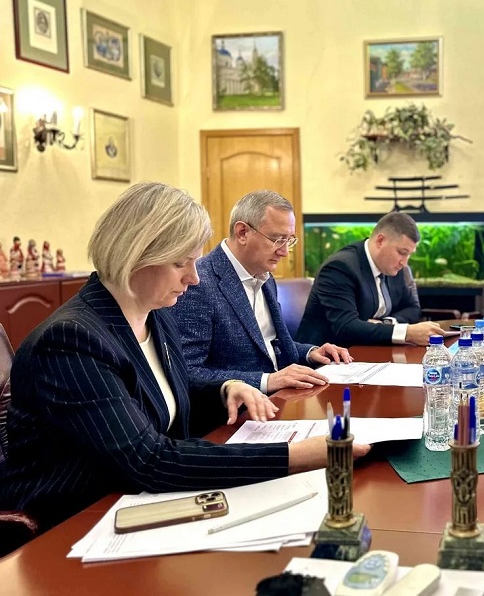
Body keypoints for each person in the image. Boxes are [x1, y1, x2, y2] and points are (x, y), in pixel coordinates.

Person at [0, 183, 369, 531]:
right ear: (135, 255)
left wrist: (226, 387)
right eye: (181, 263)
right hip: (74, 522)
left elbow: (161, 397)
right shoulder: (70, 340)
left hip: (139, 499)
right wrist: (297, 455)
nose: (194, 278)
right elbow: (148, 460)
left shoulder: (155, 315)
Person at [172, 190, 351, 394]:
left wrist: (310, 353)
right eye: (277, 239)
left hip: (283, 398)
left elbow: (268, 345)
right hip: (239, 408)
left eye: (289, 240)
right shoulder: (197, 283)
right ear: (242, 232)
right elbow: (187, 372)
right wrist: (267, 381)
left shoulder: (265, 275)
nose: (284, 252)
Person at [297, 212, 445, 347]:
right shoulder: (339, 268)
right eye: (402, 252)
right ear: (380, 241)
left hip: (370, 351)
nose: (404, 262)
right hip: (327, 358)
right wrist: (406, 333)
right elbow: (346, 327)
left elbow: (412, 308)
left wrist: (386, 323)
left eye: (409, 255)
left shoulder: (394, 267)